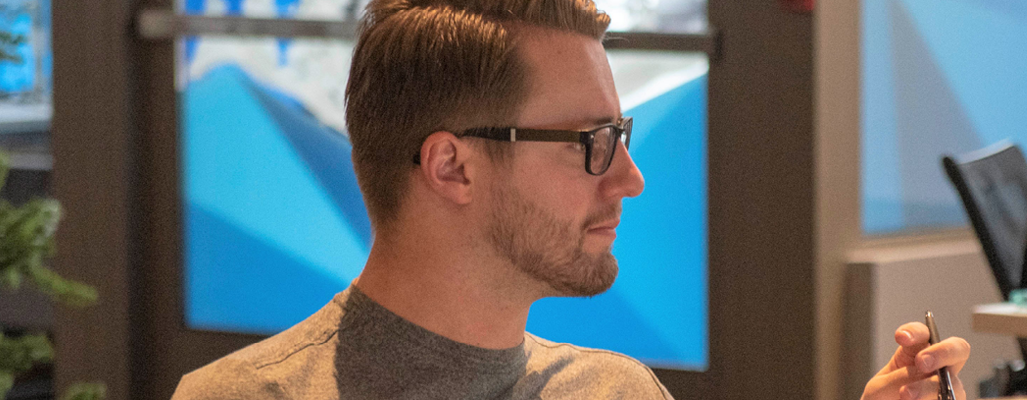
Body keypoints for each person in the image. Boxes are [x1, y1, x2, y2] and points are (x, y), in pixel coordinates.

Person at [171, 0, 968, 398]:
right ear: (451, 167)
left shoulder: (615, 392)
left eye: (621, 137)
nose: (628, 177)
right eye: (592, 143)